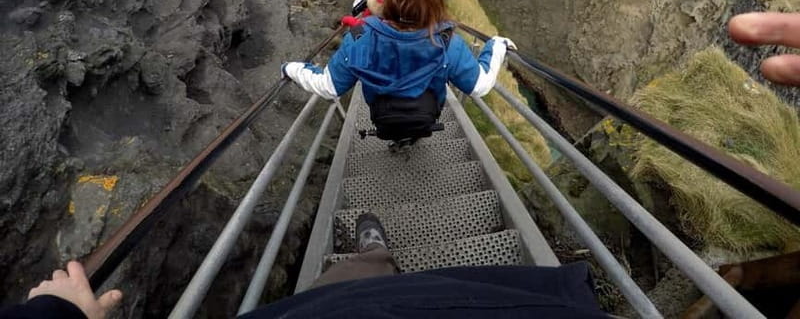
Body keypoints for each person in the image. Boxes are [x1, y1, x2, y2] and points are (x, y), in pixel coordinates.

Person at [4, 219, 607, 319]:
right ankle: (374, 251)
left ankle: (373, 250)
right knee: (366, 292)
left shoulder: (365, 41)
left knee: (345, 287)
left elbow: (333, 83)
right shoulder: (442, 44)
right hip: (423, 115)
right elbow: (475, 80)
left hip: (387, 117)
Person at [283, 0, 516, 139]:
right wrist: (496, 45)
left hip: (382, 115)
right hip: (428, 114)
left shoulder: (360, 36)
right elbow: (479, 86)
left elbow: (328, 86)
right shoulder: (446, 42)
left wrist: (291, 69)